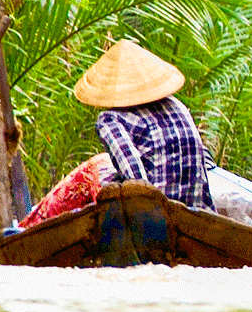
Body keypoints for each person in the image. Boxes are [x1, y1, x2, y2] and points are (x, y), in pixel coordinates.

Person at [77, 40, 214, 210]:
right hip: (195, 211)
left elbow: (137, 184)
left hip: (157, 218)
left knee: (101, 175)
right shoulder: (177, 105)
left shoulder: (110, 120)